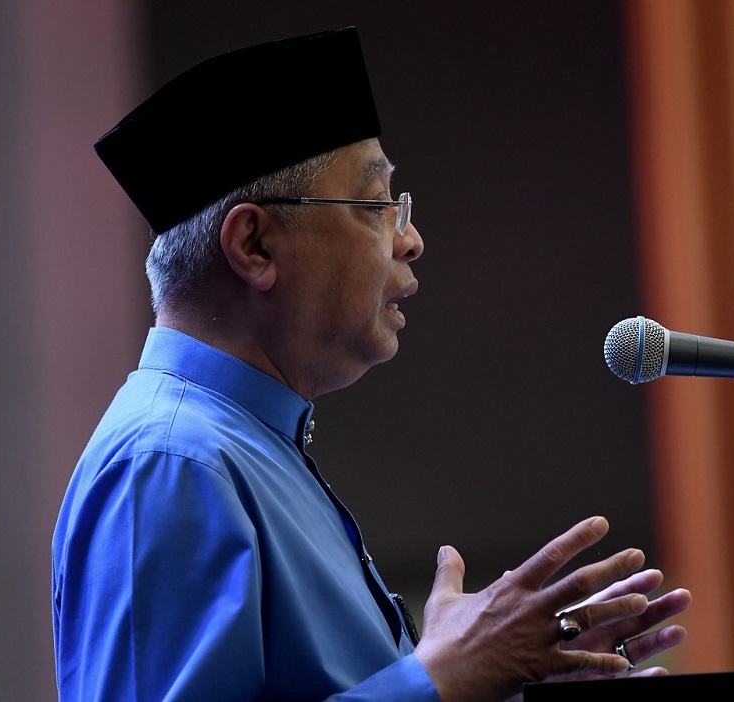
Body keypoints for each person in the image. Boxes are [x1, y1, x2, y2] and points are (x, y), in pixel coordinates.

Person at [51, 26, 692, 702]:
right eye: (375, 205)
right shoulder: (169, 462)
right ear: (254, 244)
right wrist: (441, 678)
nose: (410, 239)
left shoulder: (246, 446)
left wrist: (496, 679)